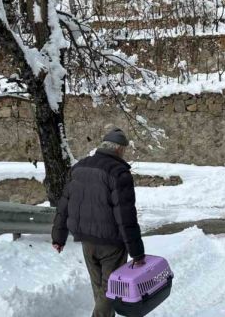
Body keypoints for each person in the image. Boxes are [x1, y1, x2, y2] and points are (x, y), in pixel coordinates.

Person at [52, 128, 145, 317]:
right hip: (111, 245)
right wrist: (137, 252)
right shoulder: (119, 173)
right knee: (110, 291)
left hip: (87, 241)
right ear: (119, 149)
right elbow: (125, 215)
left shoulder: (79, 167)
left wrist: (58, 236)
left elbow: (64, 203)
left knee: (100, 291)